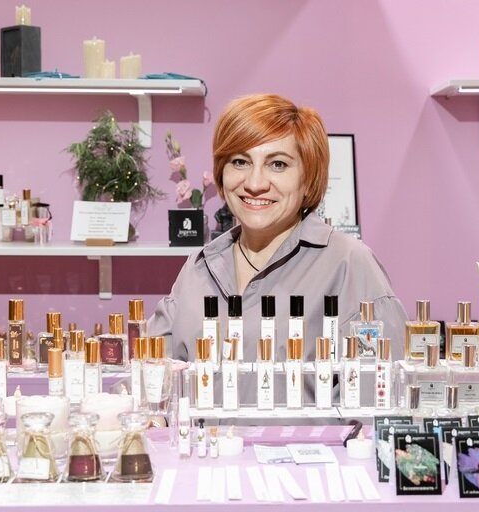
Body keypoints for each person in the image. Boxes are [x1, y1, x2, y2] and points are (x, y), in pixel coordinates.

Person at [147, 93, 408, 372]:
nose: (255, 183)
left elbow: (385, 390)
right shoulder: (199, 267)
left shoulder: (350, 265)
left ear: (308, 179)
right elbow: (150, 373)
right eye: (240, 161)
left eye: (278, 164)